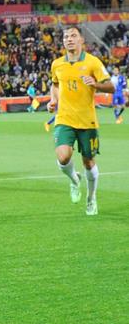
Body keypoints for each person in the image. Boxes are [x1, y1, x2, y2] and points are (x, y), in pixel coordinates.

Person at [47, 25, 115, 216]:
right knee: (63, 157)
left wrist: (96, 84)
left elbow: (110, 86)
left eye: (73, 36)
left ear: (81, 40)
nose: (69, 39)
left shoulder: (93, 63)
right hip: (64, 118)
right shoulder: (57, 64)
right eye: (66, 36)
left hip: (87, 121)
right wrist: (53, 99)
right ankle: (74, 180)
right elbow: (55, 85)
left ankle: (91, 198)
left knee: (88, 162)